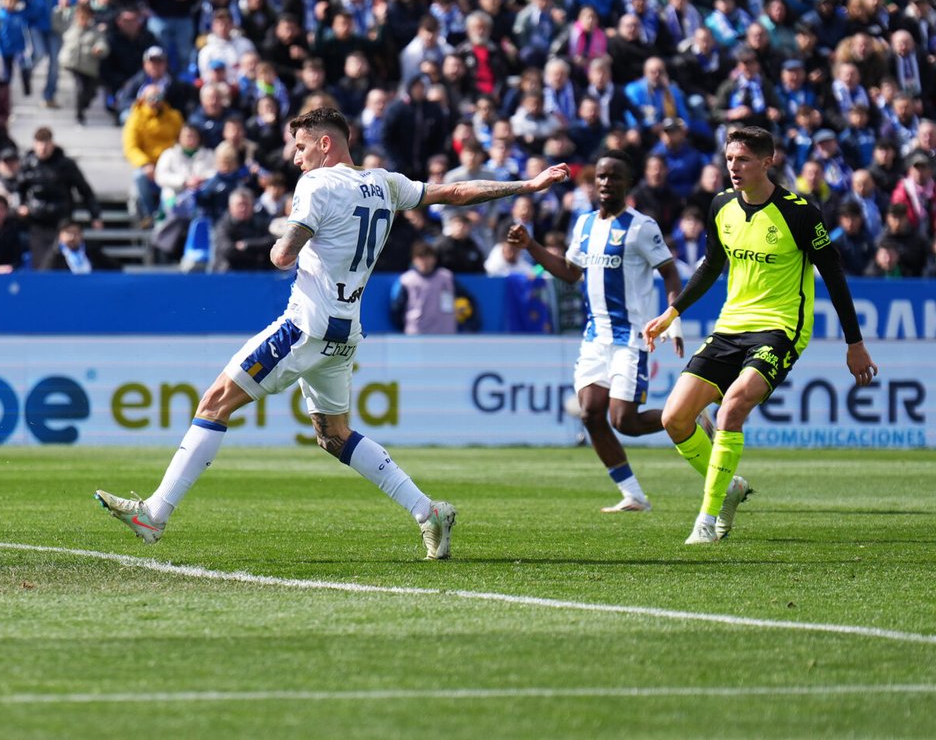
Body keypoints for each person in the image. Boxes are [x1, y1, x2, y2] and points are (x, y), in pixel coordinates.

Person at [96, 107, 571, 558]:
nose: (296, 157)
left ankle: (155, 514)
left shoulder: (317, 184)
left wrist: (278, 247)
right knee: (334, 435)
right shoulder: (385, 183)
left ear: (326, 144)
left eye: (301, 147)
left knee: (214, 404)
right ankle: (428, 512)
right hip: (345, 333)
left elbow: (285, 254)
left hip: (304, 326)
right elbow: (456, 193)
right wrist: (528, 184)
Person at [643, 127, 878, 545]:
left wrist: (854, 343)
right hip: (731, 325)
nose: (733, 167)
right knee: (674, 419)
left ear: (768, 162)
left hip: (781, 329)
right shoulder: (720, 206)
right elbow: (711, 265)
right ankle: (730, 487)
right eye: (730, 159)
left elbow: (834, 276)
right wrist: (671, 312)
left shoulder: (800, 211)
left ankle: (706, 520)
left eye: (744, 159)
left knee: (731, 407)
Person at [507, 151, 688, 513]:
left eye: (614, 177)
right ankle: (633, 495)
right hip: (594, 339)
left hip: (630, 336)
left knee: (626, 421)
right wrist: (531, 246)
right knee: (590, 414)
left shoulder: (641, 227)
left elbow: (670, 273)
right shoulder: (586, 225)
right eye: (601, 177)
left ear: (628, 183)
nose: (606, 183)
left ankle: (687, 414)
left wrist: (673, 317)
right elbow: (571, 272)